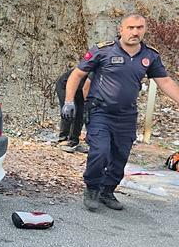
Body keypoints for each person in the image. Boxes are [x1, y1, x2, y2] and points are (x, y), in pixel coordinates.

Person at [62, 13, 179, 211]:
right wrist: (68, 101)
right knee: (100, 152)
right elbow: (78, 74)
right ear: (121, 30)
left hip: (127, 115)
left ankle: (107, 191)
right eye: (131, 28)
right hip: (100, 111)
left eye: (139, 28)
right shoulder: (103, 51)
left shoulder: (149, 56)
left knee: (120, 156)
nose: (135, 32)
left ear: (144, 30)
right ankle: (91, 189)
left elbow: (165, 82)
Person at [55, 68, 91, 153]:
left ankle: (74, 141)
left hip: (79, 89)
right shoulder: (96, 70)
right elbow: (86, 89)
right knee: (70, 111)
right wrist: (88, 105)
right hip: (66, 86)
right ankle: (63, 140)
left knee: (80, 114)